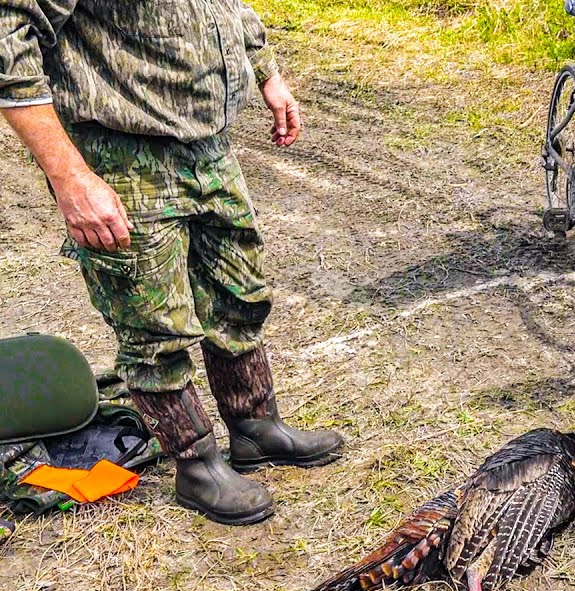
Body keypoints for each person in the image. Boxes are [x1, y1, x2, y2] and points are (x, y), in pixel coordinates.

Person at [1, 2, 343, 526]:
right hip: (118, 153)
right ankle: (197, 465)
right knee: (154, 325)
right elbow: (8, 32)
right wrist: (71, 178)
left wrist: (266, 72)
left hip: (208, 146)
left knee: (240, 293)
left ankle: (254, 426)